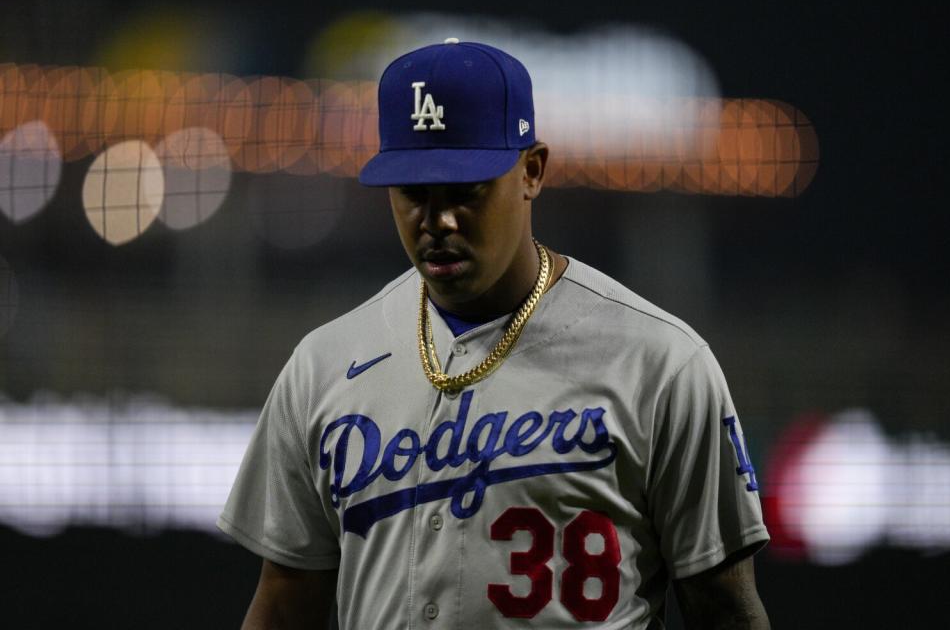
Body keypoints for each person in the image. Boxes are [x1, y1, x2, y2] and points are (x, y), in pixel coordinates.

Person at [219, 39, 770, 629]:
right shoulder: (324, 364)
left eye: (465, 190)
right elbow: (282, 604)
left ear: (531, 171)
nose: (437, 221)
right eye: (413, 193)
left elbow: (724, 608)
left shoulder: (661, 363)